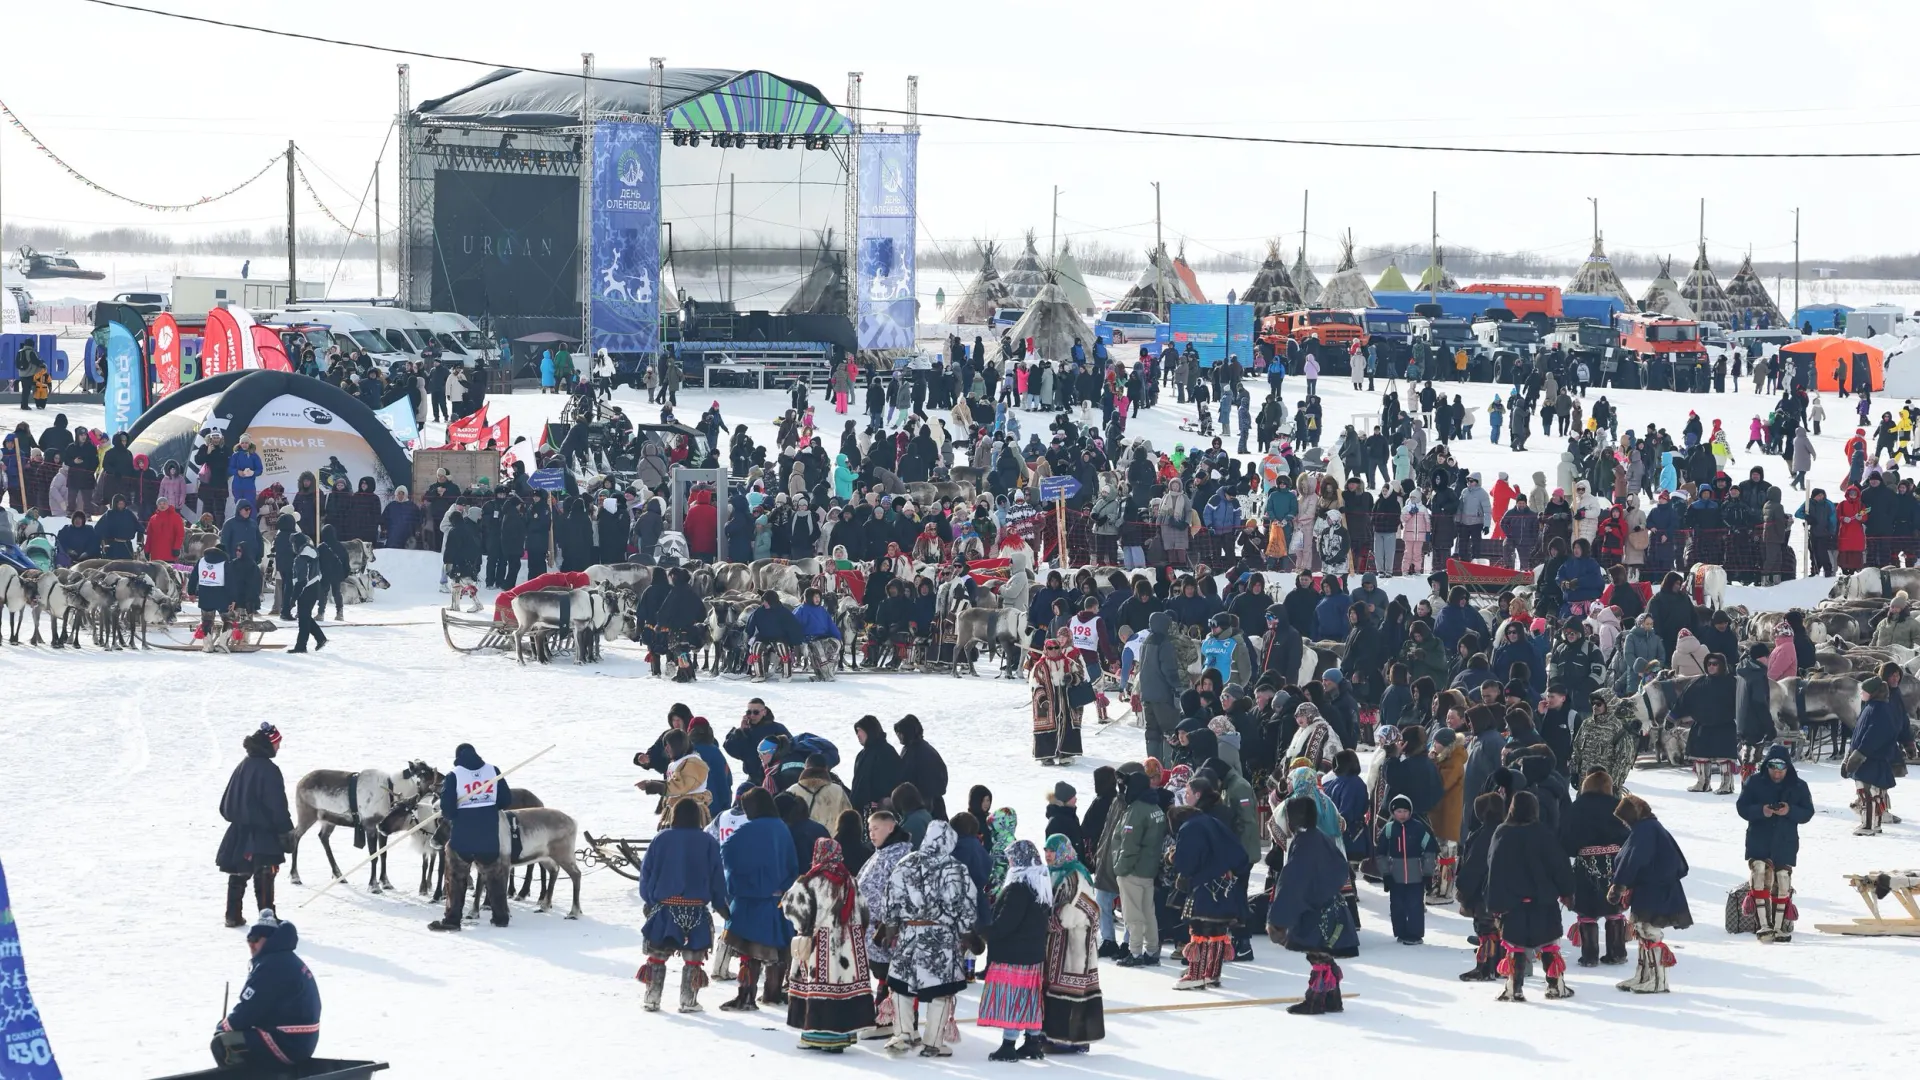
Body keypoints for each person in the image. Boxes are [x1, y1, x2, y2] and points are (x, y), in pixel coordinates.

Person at [880, 820, 974, 1057]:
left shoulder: (905, 863)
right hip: (941, 937)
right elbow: (967, 906)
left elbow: (890, 899)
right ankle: (933, 1042)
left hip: (910, 934)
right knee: (941, 990)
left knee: (901, 986)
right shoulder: (956, 868)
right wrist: (965, 930)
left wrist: (891, 925)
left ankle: (902, 1034)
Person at [781, 837, 877, 1051]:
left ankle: (815, 1036)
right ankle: (839, 1037)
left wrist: (805, 926)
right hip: (848, 946)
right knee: (843, 987)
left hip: (820, 944)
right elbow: (864, 912)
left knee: (817, 986)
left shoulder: (809, 880)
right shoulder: (850, 879)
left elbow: (790, 907)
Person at [1266, 795, 1359, 1015]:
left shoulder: (1304, 843)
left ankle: (1315, 1001)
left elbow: (1293, 881)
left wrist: (1277, 920)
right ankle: (1333, 998)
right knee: (1324, 954)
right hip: (1332, 907)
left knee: (1318, 955)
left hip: (1316, 911)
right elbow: (1341, 866)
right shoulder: (1322, 837)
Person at [638, 798, 730, 1012]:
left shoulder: (661, 839)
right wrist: (720, 903)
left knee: (657, 954)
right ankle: (688, 1001)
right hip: (696, 909)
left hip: (664, 908)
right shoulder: (708, 842)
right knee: (693, 956)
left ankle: (652, 998)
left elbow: (646, 873)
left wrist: (650, 900)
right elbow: (717, 876)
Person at [1485, 791, 1575, 1002]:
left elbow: (1494, 867)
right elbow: (1559, 865)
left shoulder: (1502, 832)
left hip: (1513, 902)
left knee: (1515, 945)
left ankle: (1513, 987)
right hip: (1543, 900)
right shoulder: (1543, 833)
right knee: (1548, 943)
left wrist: (1495, 901)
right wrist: (1567, 891)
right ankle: (1555, 985)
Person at [719, 788, 800, 1010]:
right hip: (779, 900)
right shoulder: (781, 828)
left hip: (751, 899)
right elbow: (792, 864)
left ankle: (746, 996)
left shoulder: (749, 830)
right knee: (776, 950)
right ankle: (772, 994)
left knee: (748, 950)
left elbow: (726, 852)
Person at [209, 909, 321, 1070]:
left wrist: (223, 1028)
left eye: (255, 939)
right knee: (241, 1036)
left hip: (289, 1042)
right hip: (299, 1040)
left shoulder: (272, 965)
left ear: (269, 940)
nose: (251, 945)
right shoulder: (283, 959)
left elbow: (249, 1009)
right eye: (248, 940)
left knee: (223, 1043)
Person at [1609, 793, 1692, 993]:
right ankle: (1643, 976)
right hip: (1654, 887)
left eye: (1624, 819)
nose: (1624, 823)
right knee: (1643, 931)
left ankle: (1656, 981)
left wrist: (1619, 885)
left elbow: (1632, 859)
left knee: (1649, 932)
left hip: (1654, 889)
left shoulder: (1645, 830)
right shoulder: (1651, 827)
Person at [979, 839, 1052, 1060]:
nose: (1009, 862)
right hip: (1033, 954)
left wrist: (985, 931)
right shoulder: (1039, 885)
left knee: (1012, 998)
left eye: (1012, 858)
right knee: (1030, 998)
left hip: (1013, 955)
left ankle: (1008, 1045)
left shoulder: (1018, 888)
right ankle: (1033, 1041)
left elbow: (1006, 923)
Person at [428, 743, 513, 931]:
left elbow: (448, 811)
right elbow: (506, 800)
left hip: (462, 838)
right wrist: (486, 804)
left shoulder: (454, 775)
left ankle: (452, 920)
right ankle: (501, 918)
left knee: (456, 878)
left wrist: (463, 807)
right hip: (489, 835)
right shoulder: (493, 771)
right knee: (495, 877)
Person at [216, 722, 293, 928]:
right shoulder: (269, 770)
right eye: (277, 743)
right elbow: (277, 805)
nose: (279, 748)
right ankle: (267, 918)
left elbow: (225, 804)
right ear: (270, 743)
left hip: (239, 831)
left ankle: (233, 915)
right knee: (266, 874)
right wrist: (286, 830)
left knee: (239, 873)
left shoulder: (242, 766)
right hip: (263, 833)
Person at [1736, 745, 1813, 943]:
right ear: (1767, 766)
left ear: (1788, 767)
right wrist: (1762, 811)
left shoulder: (1799, 786)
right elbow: (1742, 807)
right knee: (1759, 872)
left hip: (1785, 841)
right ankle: (1763, 925)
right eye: (1773, 768)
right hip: (1758, 839)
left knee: (1782, 879)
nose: (1777, 772)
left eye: (1781, 768)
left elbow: (1807, 812)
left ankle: (1779, 928)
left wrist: (1789, 811)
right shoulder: (1754, 782)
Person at [1040, 833, 1105, 1054]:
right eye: (1046, 850)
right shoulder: (1050, 873)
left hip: (1074, 943)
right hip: (1054, 942)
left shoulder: (1077, 873)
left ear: (1062, 851)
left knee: (1070, 987)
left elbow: (1086, 908)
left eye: (1052, 850)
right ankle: (1050, 1035)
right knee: (1051, 986)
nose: (1048, 855)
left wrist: (1054, 919)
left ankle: (1069, 1040)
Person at [1560, 768, 1630, 967]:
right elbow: (1630, 836)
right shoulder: (1620, 806)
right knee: (1614, 906)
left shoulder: (1577, 807)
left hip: (1586, 864)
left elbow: (1566, 839)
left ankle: (1589, 955)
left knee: (1587, 909)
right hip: (1614, 865)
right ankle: (1617, 952)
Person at [1112, 768, 1168, 968]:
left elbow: (1129, 844)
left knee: (1133, 914)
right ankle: (1152, 950)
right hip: (1148, 869)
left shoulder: (1136, 810)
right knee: (1148, 912)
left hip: (1133, 870)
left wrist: (1120, 867)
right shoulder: (1156, 808)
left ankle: (1135, 953)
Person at [1848, 676, 1905, 836]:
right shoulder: (1873, 707)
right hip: (1873, 757)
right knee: (1876, 792)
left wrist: (1859, 753)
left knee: (1867, 792)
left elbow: (1873, 735)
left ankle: (1867, 826)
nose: (1861, 694)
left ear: (1872, 692)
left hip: (1870, 758)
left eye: (1863, 691)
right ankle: (1876, 824)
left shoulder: (1877, 709)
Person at [1379, 793, 1437, 945]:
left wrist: (1428, 874)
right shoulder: (1389, 829)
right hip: (1395, 875)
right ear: (1393, 812)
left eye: (1405, 811)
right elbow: (1380, 854)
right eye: (1398, 811)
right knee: (1397, 905)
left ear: (1410, 812)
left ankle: (1415, 934)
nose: (1402, 815)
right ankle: (1401, 931)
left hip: (1416, 875)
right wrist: (1386, 874)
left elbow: (1430, 851)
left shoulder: (1418, 828)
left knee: (1415, 905)